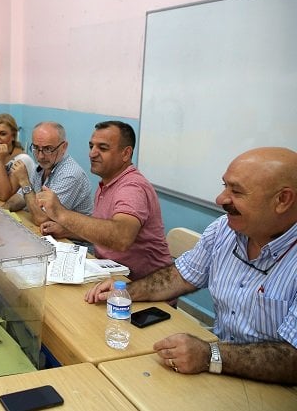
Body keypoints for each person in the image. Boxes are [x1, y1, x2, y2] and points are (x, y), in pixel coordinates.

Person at [86, 147, 297, 385]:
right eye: (224, 186)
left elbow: (293, 361)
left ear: (282, 200)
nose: (221, 200)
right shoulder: (224, 229)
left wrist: (210, 356)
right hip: (222, 367)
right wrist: (126, 291)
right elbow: (179, 277)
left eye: (236, 191)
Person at [37, 121, 171, 279]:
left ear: (126, 154)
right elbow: (104, 230)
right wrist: (66, 230)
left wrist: (61, 214)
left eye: (103, 148)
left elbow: (121, 237)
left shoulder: (132, 187)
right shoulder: (106, 182)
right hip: (109, 274)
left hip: (141, 288)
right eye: (91, 146)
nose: (92, 154)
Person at [3, 121, 94, 226]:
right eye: (36, 148)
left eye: (48, 149)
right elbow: (20, 198)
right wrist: (0, 212)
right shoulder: (42, 166)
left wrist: (24, 181)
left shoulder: (70, 174)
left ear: (64, 147)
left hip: (70, 240)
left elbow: (42, 219)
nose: (40, 156)